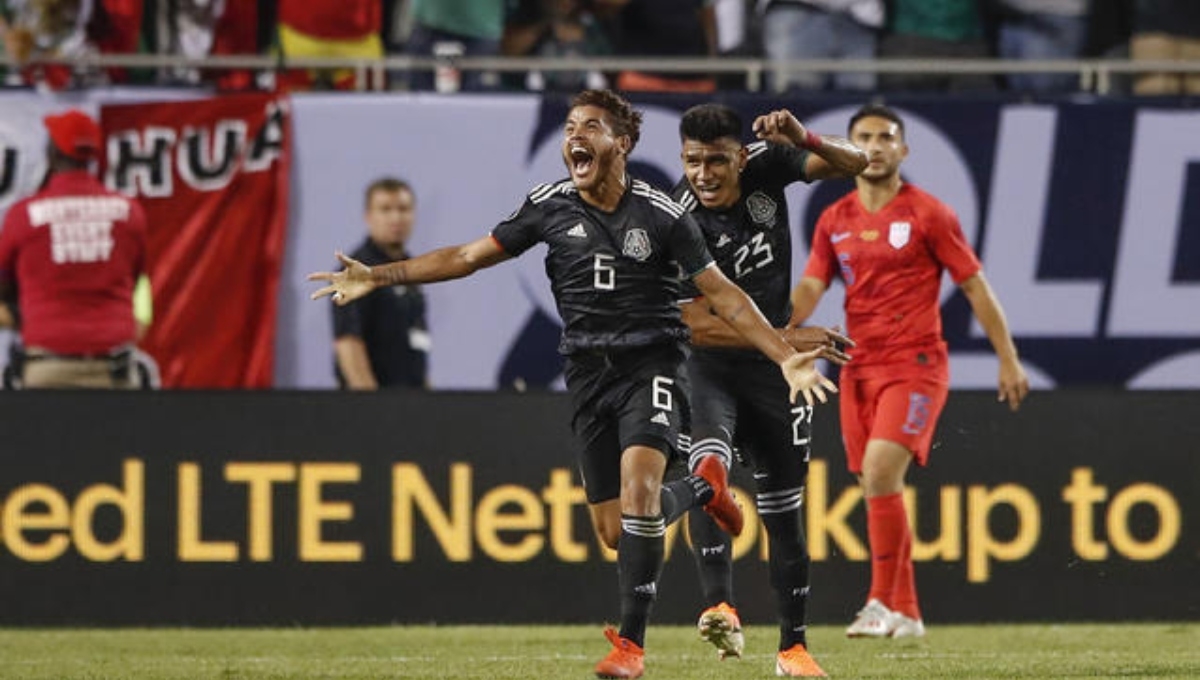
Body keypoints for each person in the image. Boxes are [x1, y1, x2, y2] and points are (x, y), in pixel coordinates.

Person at [309, 89, 839, 680]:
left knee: (640, 496)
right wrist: (379, 276)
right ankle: (702, 487)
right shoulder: (548, 206)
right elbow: (466, 255)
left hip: (653, 367)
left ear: (623, 143)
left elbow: (726, 300)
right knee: (617, 533)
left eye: (590, 125)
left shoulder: (664, 215)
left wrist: (783, 350)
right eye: (568, 126)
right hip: (589, 376)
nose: (574, 136)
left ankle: (630, 650)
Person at [793, 104, 1029, 639]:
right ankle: (908, 611)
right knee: (876, 484)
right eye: (863, 138)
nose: (874, 147)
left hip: (915, 364)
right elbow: (813, 286)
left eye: (885, 137)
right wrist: (775, 329)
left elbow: (974, 286)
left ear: (903, 150)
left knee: (879, 473)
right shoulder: (835, 219)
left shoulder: (929, 213)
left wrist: (1008, 357)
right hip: (856, 364)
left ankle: (878, 602)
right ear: (846, 150)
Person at [669, 104, 865, 677]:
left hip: (776, 370)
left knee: (784, 510)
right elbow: (696, 323)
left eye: (716, 161)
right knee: (709, 470)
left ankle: (793, 649)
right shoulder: (675, 217)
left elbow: (857, 162)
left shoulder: (769, 166)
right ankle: (719, 604)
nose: (703, 174)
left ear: (742, 155)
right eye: (692, 161)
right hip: (710, 366)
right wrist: (791, 337)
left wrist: (803, 136)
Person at [0, 109, 148, 389]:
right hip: (114, 370)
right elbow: (138, 278)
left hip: (48, 369)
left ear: (52, 154)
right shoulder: (130, 213)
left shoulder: (23, 215)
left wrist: (26, 315)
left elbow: (2, 284)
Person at [332, 177, 429, 390]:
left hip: (411, 406)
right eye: (385, 209)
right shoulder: (355, 274)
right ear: (368, 216)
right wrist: (374, 410)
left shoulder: (413, 271)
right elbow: (348, 344)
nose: (396, 217)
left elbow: (418, 347)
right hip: (373, 411)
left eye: (403, 209)